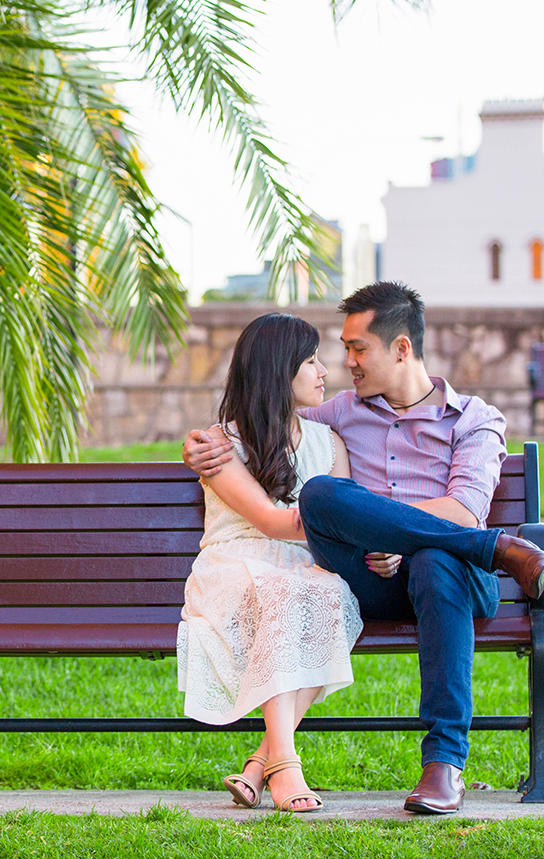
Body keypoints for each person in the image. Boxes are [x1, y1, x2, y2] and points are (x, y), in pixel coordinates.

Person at [184, 282, 544, 815]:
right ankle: (501, 551)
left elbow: (464, 513)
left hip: (450, 581)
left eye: (358, 349)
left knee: (436, 559)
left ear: (401, 348)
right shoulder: (338, 414)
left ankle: (444, 763)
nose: (345, 362)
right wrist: (201, 441)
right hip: (368, 580)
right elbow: (267, 419)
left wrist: (395, 536)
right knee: (320, 493)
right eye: (341, 348)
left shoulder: (474, 420)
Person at [176, 313, 403, 812]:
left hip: (306, 568)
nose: (324, 370)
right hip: (235, 567)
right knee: (285, 591)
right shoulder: (223, 444)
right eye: (310, 360)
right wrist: (349, 518)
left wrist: (375, 538)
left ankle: (261, 764)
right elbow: (271, 522)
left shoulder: (329, 443)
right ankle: (286, 763)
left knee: (330, 594)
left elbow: (344, 521)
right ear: (279, 371)